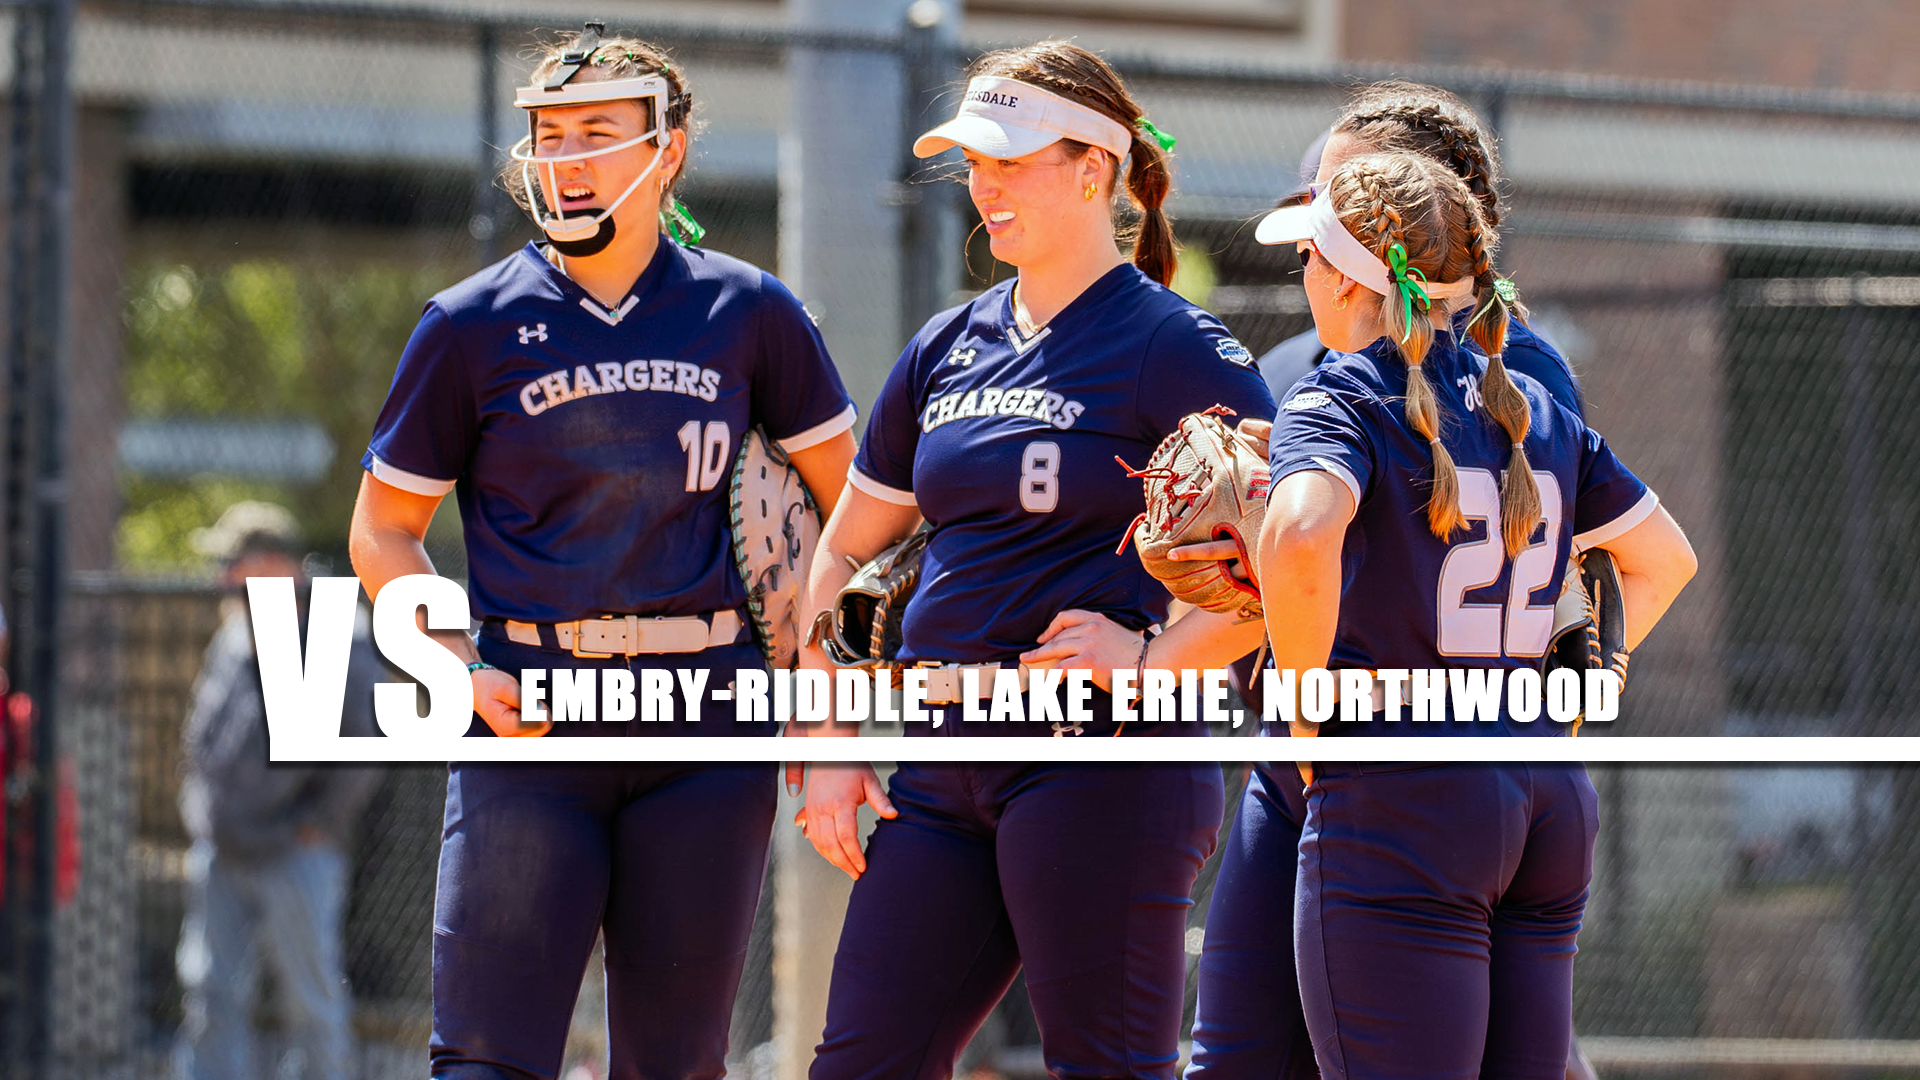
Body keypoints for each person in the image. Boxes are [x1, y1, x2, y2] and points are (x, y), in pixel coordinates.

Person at [345, 26, 857, 1080]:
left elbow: (858, 517)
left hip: (706, 719)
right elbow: (383, 529)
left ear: (665, 151)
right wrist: (461, 670)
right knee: (484, 1061)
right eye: (549, 135)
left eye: (597, 134)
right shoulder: (469, 324)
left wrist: (826, 707)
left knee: (673, 1065)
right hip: (530, 715)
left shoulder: (751, 313)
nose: (566, 158)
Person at [788, 41, 1273, 1080]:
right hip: (942, 753)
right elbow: (841, 550)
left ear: (1093, 168)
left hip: (1099, 764)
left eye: (1008, 161)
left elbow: (1284, 574)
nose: (983, 186)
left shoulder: (1174, 345)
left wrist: (1148, 664)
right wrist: (826, 732)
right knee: (858, 1064)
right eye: (973, 162)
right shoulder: (946, 346)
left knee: (1104, 1068)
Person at [1233, 149, 1696, 1078]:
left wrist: (1304, 709)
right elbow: (1663, 561)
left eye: (1313, 256)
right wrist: (1573, 689)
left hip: (1404, 800)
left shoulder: (1339, 393)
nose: (1305, 275)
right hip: (1543, 802)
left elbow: (1297, 537)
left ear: (1351, 275)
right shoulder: (1527, 407)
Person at [1194, 82, 1605, 1080]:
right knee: (1240, 1056)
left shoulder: (1520, 372)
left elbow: (1561, 597)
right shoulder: (1309, 355)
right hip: (1316, 760)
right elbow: (1284, 575)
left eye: (1350, 191)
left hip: (1409, 767)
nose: (1322, 218)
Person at [174, 501, 383, 1080]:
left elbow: (365, 744)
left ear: (270, 563)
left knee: (310, 1001)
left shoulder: (338, 631)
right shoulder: (235, 632)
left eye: (230, 560)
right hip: (223, 850)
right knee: (210, 993)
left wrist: (318, 822)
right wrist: (199, 807)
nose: (222, 575)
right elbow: (202, 734)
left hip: (297, 851)